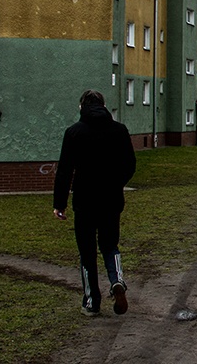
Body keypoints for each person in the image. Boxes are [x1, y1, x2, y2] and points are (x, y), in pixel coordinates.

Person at [53, 89, 136, 317]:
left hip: (84, 202)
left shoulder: (74, 133)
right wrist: (116, 183)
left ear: (81, 107)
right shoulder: (119, 131)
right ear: (104, 105)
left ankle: (91, 301)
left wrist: (59, 203)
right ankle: (117, 280)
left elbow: (64, 171)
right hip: (111, 200)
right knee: (110, 245)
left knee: (87, 251)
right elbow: (130, 164)